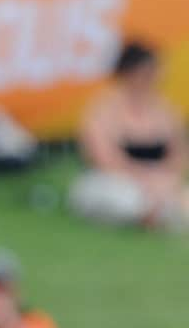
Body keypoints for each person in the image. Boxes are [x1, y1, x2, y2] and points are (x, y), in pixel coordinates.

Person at [71, 39, 189, 230]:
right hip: (115, 180)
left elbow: (178, 155)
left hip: (160, 181)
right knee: (128, 201)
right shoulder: (104, 108)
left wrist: (163, 180)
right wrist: (144, 179)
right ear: (129, 73)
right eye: (146, 72)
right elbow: (104, 158)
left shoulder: (165, 110)